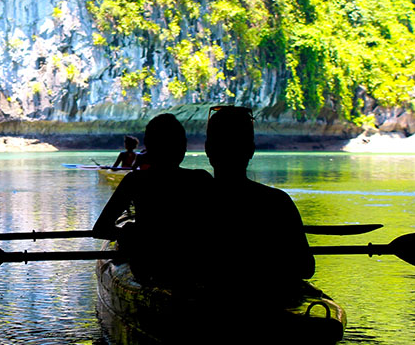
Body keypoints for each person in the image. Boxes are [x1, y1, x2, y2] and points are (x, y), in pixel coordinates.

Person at [204, 106, 314, 305]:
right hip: (270, 303)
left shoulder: (191, 202)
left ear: (208, 149)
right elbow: (306, 268)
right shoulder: (278, 202)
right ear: (251, 151)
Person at [92, 113, 213, 285]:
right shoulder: (200, 179)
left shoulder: (135, 180)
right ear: (183, 146)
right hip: (189, 266)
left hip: (148, 265)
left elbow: (100, 229)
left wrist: (129, 233)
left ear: (148, 147)